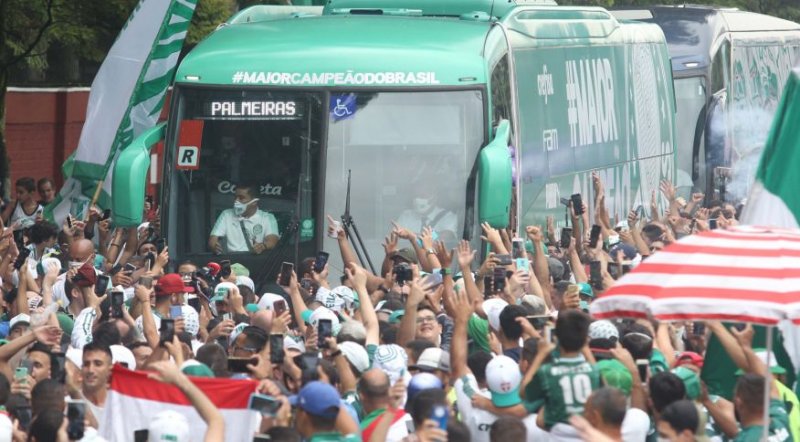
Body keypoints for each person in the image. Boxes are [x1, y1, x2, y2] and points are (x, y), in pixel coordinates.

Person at [208, 183, 279, 254]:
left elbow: (272, 241)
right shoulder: (226, 214)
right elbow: (213, 239)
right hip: (233, 261)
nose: (236, 201)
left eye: (241, 198)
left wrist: (262, 246)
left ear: (254, 202)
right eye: (235, 197)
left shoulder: (267, 218)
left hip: (256, 260)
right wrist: (214, 246)